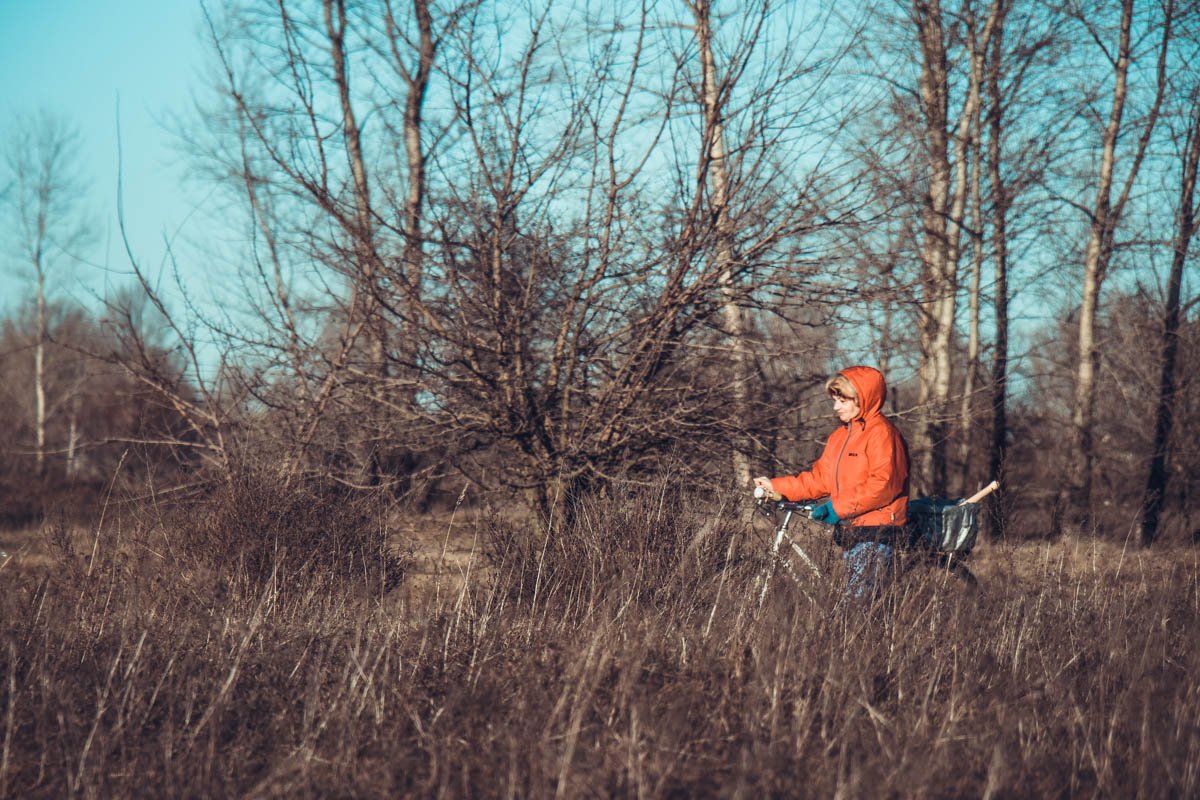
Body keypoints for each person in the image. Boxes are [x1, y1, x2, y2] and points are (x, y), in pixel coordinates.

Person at [753, 365, 910, 599]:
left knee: (857, 610)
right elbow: (819, 480)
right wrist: (776, 486)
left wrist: (837, 508)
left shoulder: (883, 434)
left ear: (862, 399)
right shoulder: (840, 437)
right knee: (850, 606)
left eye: (843, 401)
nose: (835, 407)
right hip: (851, 531)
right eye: (835, 400)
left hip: (876, 532)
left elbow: (884, 485)